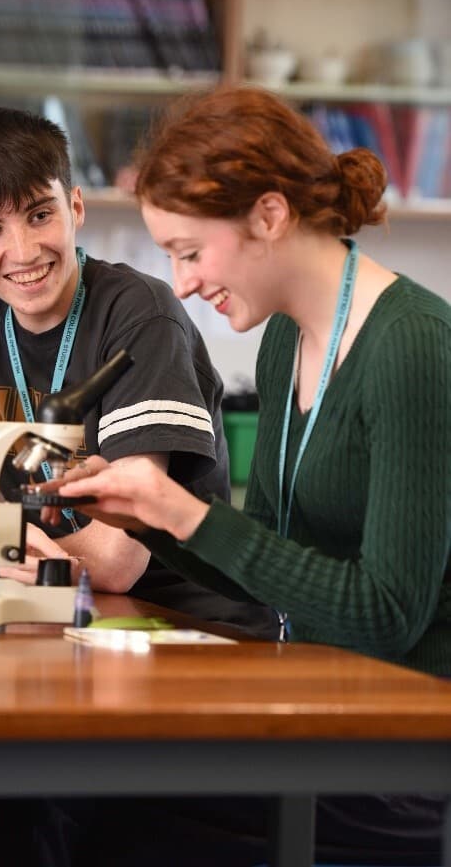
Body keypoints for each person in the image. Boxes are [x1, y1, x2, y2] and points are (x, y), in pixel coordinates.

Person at [40, 85, 450, 865]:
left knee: (95, 801)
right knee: (67, 783)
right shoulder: (282, 341)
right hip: (320, 710)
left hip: (406, 747)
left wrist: (188, 515)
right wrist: (143, 514)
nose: (183, 283)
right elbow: (271, 570)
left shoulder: (412, 347)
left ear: (269, 215)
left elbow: (389, 614)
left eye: (190, 252)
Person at [0, 104, 277, 637]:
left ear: (75, 207)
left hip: (177, 622)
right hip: (44, 606)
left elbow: (115, 562)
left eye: (40, 215)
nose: (23, 251)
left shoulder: (140, 312)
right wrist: (3, 546)